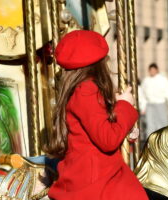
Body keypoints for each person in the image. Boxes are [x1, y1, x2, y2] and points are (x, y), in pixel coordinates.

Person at [45, 30, 148, 200]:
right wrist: (125, 105)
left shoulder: (82, 90)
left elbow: (96, 132)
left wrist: (125, 126)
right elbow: (108, 139)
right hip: (96, 182)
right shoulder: (86, 90)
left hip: (97, 175)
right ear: (98, 64)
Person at [141, 63, 168, 137]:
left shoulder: (163, 80)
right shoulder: (146, 81)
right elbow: (143, 95)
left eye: (154, 70)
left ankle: (162, 141)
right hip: (150, 105)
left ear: (157, 70)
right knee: (150, 125)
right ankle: (150, 142)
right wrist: (143, 107)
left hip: (160, 104)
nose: (152, 72)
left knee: (162, 124)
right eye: (151, 70)